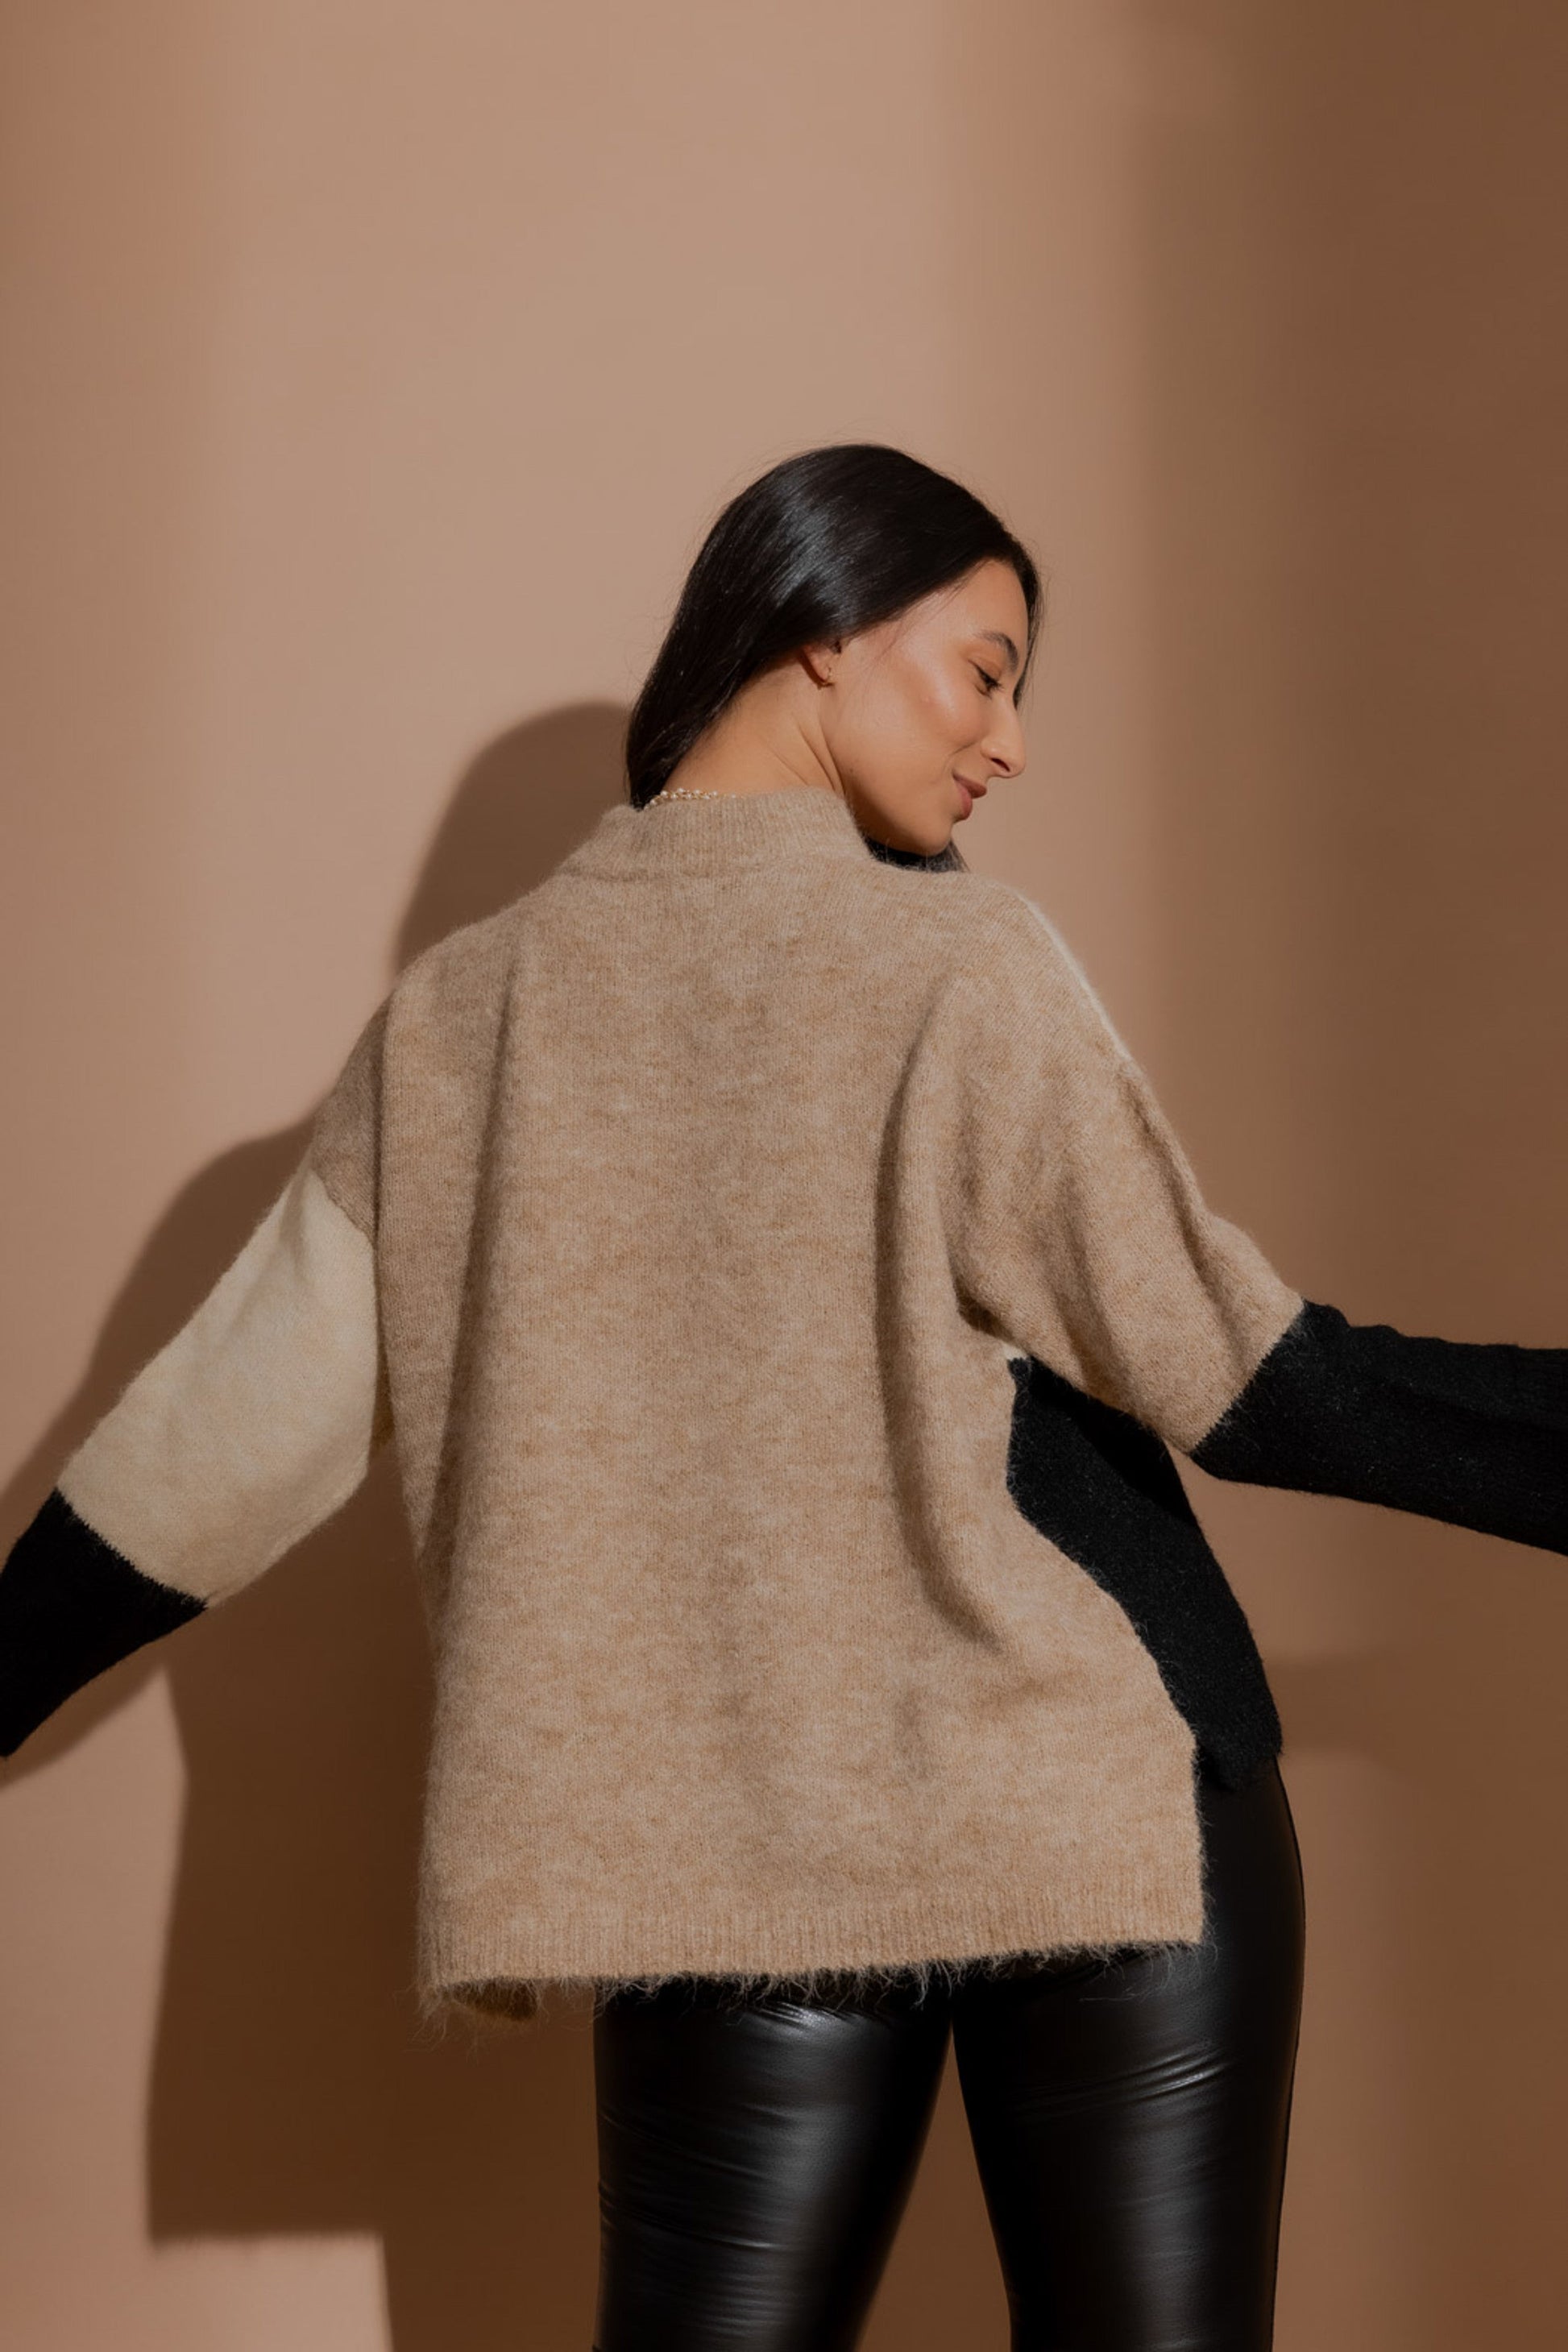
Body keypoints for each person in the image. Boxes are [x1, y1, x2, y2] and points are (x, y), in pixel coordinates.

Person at [1, 444, 1563, 2352]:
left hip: (728, 1835)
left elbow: (218, 1442)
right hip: (1101, 1805)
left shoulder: (462, 1014)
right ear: (822, 628)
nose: (1008, 743)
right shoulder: (962, 962)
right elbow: (1245, 1378)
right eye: (983, 669)